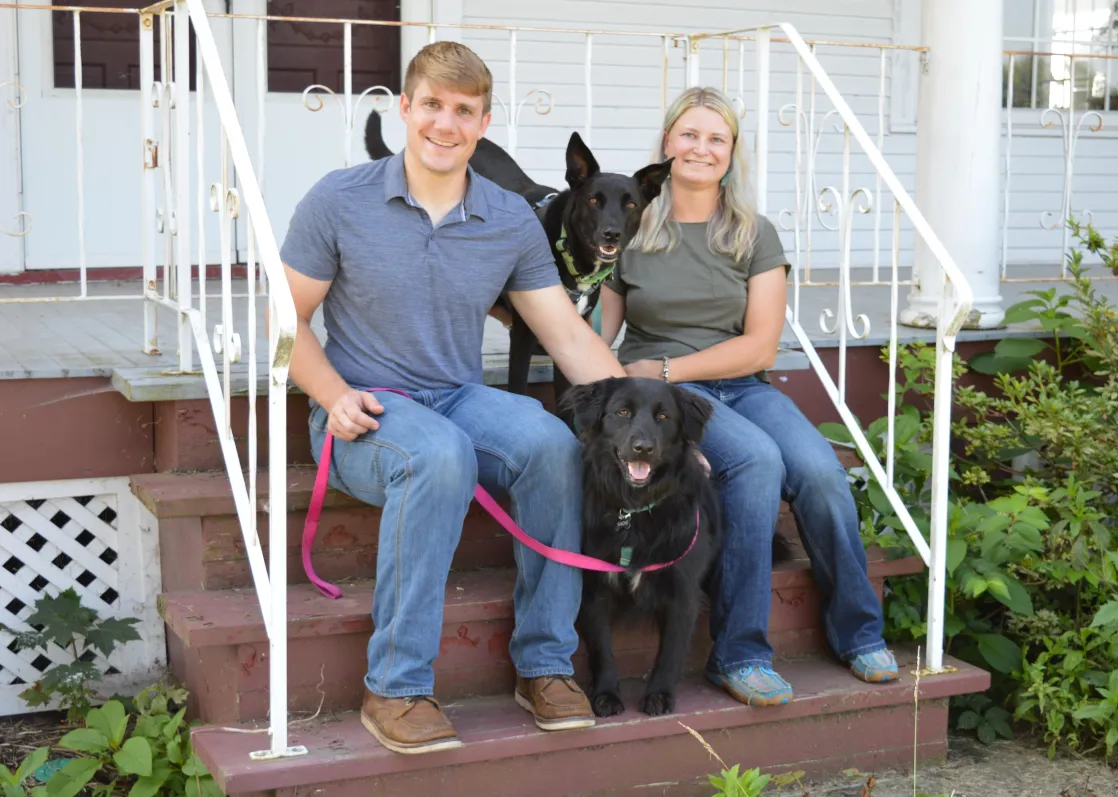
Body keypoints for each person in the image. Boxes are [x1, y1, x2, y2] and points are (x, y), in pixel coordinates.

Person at [280, 41, 627, 755]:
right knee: (438, 456)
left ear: (484, 122)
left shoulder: (507, 218)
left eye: (463, 110)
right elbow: (283, 326)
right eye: (432, 105)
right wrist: (331, 392)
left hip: (456, 394)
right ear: (405, 109)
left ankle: (545, 665)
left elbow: (565, 332)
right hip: (363, 409)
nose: (446, 123)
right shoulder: (338, 199)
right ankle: (397, 684)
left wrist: (640, 420)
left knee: (552, 445)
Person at [599, 86, 900, 707]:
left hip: (739, 385)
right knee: (757, 462)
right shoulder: (630, 227)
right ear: (666, 142)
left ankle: (860, 632)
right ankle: (739, 653)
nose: (701, 148)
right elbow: (598, 337)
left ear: (732, 154)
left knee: (819, 472)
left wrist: (666, 363)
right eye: (689, 134)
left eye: (717, 138)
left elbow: (761, 347)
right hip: (667, 403)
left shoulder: (752, 234)